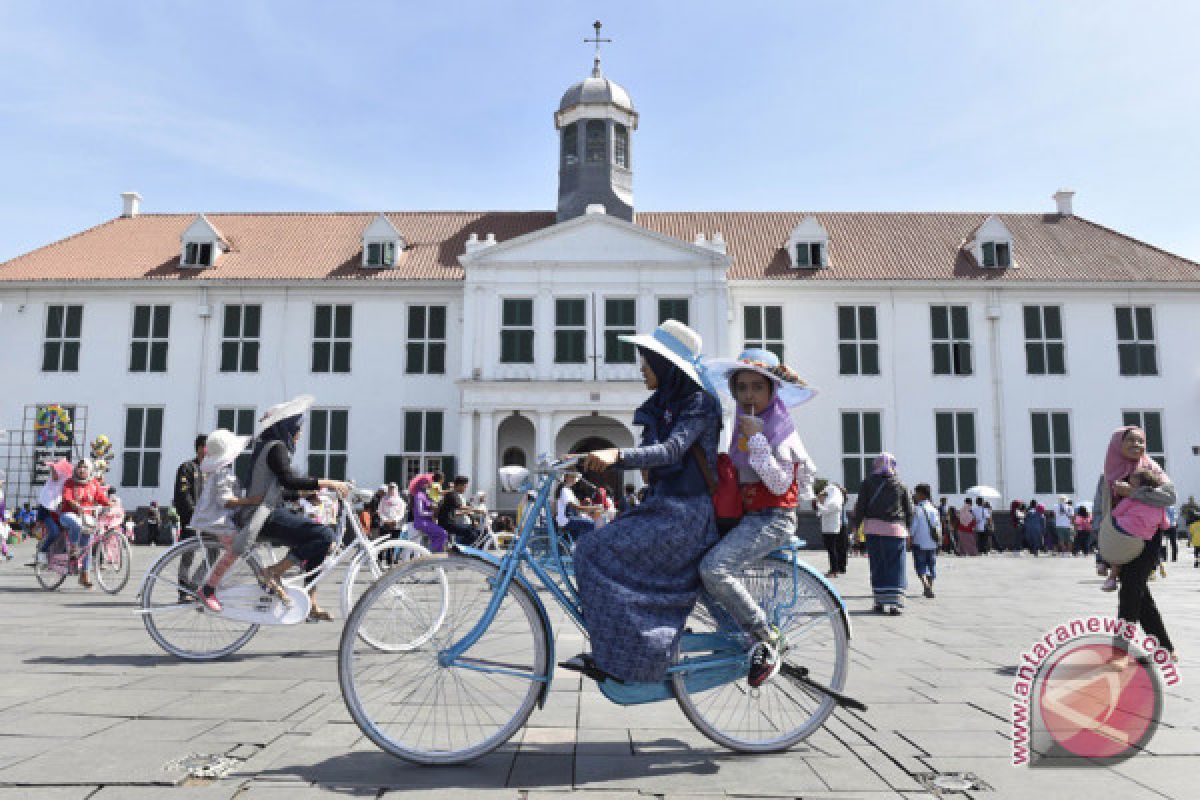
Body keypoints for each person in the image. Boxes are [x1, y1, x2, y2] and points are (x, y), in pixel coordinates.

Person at [569, 319, 722, 684]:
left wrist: (616, 456)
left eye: (647, 361)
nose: (641, 368)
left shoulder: (698, 403)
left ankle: (638, 654)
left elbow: (671, 451)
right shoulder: (665, 404)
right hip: (662, 507)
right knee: (595, 549)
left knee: (590, 552)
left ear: (667, 365)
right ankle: (624, 650)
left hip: (685, 515)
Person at [699, 347, 816, 686]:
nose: (749, 395)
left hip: (774, 518)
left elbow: (779, 483)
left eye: (757, 387)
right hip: (749, 517)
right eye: (742, 387)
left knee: (714, 568)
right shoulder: (742, 427)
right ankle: (738, 637)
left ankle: (766, 637)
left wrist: (759, 441)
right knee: (698, 571)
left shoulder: (780, 430)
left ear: (772, 390)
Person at [239, 395, 350, 621]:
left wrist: (308, 492)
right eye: (297, 429)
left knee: (318, 543)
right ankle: (273, 572)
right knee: (324, 534)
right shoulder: (276, 448)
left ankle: (311, 601)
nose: (299, 435)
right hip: (262, 516)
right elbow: (288, 480)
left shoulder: (266, 447)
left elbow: (282, 488)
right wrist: (327, 482)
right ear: (286, 428)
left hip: (265, 511)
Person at [1093, 425, 1177, 664]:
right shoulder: (1108, 475)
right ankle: (1165, 648)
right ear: (1118, 444)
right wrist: (1101, 541)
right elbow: (1100, 509)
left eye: (1140, 441)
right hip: (1119, 539)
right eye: (1130, 441)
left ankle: (1119, 653)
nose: (1137, 446)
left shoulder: (1153, 470)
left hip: (1148, 539)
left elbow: (1170, 497)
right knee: (1140, 595)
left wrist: (1133, 493)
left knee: (1130, 590)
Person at [188, 428, 262, 612]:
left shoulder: (217, 472)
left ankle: (211, 587)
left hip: (216, 520)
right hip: (218, 522)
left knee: (243, 549)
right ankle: (209, 589)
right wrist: (250, 501)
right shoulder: (223, 473)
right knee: (237, 548)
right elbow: (225, 500)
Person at [849, 453, 913, 614]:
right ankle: (895, 604)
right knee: (896, 566)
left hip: (873, 530)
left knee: (877, 566)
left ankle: (879, 601)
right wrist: (908, 529)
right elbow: (909, 510)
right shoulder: (901, 485)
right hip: (895, 531)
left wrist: (856, 528)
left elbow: (861, 507)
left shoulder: (867, 483)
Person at [1100, 467, 1168, 592]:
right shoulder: (1158, 502)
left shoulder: (1131, 499)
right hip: (1144, 537)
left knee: (1111, 541)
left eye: (1131, 483)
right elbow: (1165, 523)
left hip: (1125, 530)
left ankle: (1108, 571)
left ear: (1137, 485)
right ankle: (1108, 569)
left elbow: (1116, 513)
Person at [59, 459, 111, 589]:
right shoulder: (69, 482)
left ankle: (84, 576)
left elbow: (101, 497)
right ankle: (73, 549)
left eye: (85, 467)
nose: (82, 470)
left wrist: (111, 503)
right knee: (76, 524)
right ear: (76, 469)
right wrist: (75, 505)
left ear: (90, 470)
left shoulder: (93, 483)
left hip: (87, 517)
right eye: (80, 467)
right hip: (69, 514)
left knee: (87, 546)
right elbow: (67, 497)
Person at [173, 434, 207, 597]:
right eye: (208, 447)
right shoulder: (187, 467)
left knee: (214, 553)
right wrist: (193, 513)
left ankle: (195, 583)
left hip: (208, 520)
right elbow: (183, 494)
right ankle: (183, 588)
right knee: (188, 554)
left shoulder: (211, 469)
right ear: (200, 448)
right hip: (191, 518)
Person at [34, 458, 72, 565]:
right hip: (47, 510)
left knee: (68, 533)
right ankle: (42, 551)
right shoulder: (52, 479)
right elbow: (55, 477)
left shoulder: (67, 477)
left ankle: (61, 557)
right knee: (54, 532)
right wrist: (51, 466)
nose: (55, 473)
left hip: (60, 510)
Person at [910, 483, 941, 599]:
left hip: (919, 542)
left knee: (920, 566)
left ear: (922, 494)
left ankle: (925, 585)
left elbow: (914, 527)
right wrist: (939, 541)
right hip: (932, 543)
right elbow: (938, 526)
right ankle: (929, 587)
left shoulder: (918, 509)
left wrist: (910, 538)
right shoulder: (934, 509)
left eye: (916, 493)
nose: (915, 496)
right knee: (931, 566)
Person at [437, 476, 480, 547]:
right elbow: (460, 507)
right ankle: (459, 549)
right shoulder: (452, 494)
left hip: (449, 522)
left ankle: (459, 548)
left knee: (474, 531)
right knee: (471, 533)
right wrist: (476, 509)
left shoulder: (454, 494)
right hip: (447, 523)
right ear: (459, 485)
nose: (465, 489)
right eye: (465, 487)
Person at [556, 472, 600, 539]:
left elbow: (576, 506)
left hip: (569, 517)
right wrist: (593, 508)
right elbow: (575, 507)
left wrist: (586, 504)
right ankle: (585, 545)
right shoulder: (564, 490)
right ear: (566, 478)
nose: (574, 479)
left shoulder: (568, 490)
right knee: (591, 524)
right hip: (566, 519)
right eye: (572, 477)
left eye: (574, 477)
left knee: (588, 521)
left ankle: (579, 543)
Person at [410, 473, 447, 552]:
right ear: (421, 484)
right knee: (442, 533)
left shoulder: (424, 495)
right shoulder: (419, 496)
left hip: (428, 521)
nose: (429, 484)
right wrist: (432, 513)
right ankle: (435, 554)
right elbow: (420, 512)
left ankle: (433, 553)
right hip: (421, 522)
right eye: (426, 483)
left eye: (428, 482)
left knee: (436, 537)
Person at [817, 483, 846, 577]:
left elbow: (824, 511)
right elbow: (820, 513)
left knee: (832, 549)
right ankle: (834, 569)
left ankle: (834, 570)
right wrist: (821, 502)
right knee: (831, 549)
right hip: (828, 528)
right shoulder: (830, 501)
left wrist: (819, 503)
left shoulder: (834, 502)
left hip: (831, 529)